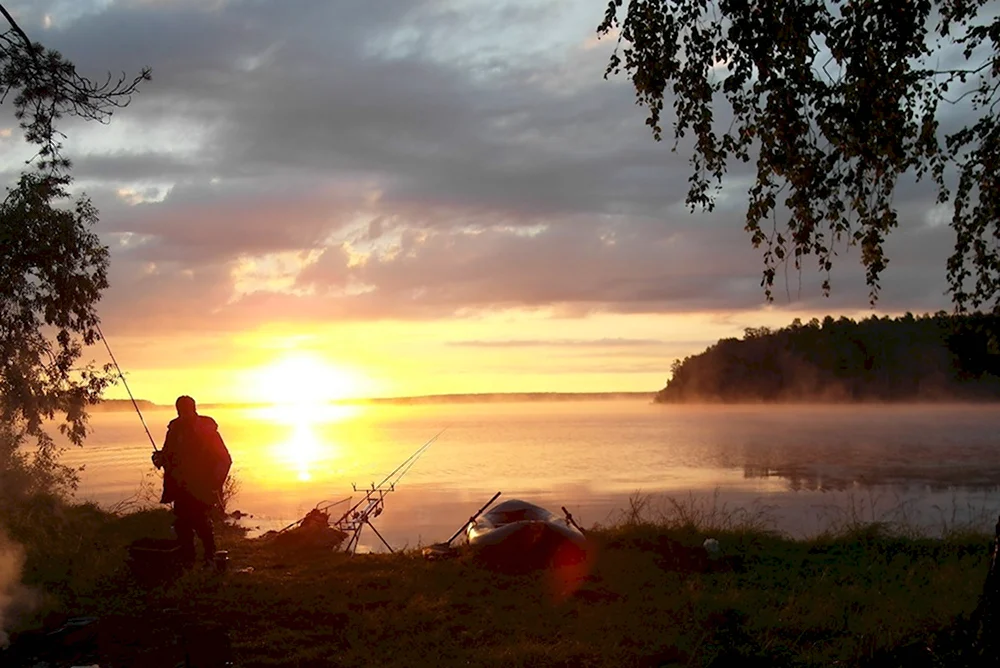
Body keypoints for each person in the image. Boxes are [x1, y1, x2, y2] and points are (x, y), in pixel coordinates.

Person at [152, 395, 232, 567]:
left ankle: (210, 554)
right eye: (180, 410)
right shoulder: (174, 430)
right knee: (182, 522)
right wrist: (160, 459)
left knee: (199, 520)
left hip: (202, 485)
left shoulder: (207, 431)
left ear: (193, 409)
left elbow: (224, 459)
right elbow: (168, 455)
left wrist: (215, 484)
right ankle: (188, 556)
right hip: (179, 484)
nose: (183, 413)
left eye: (186, 409)